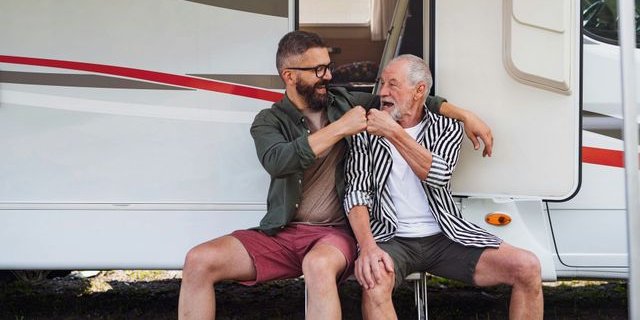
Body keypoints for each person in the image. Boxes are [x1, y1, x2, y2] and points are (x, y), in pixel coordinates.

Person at [178, 31, 493, 319]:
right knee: (198, 260)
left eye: (328, 66)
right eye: (317, 70)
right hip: (283, 231)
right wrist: (340, 128)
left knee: (317, 265)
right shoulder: (268, 121)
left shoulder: (344, 101)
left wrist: (465, 115)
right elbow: (278, 161)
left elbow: (413, 98)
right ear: (289, 76)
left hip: (335, 232)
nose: (327, 75)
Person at [344, 54, 543, 320]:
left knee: (527, 266)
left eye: (393, 84)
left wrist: (393, 131)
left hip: (445, 236)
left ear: (419, 91)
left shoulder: (446, 127)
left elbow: (438, 175)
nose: (383, 92)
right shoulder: (365, 131)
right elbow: (356, 193)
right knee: (374, 282)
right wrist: (367, 247)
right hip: (391, 238)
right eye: (382, 83)